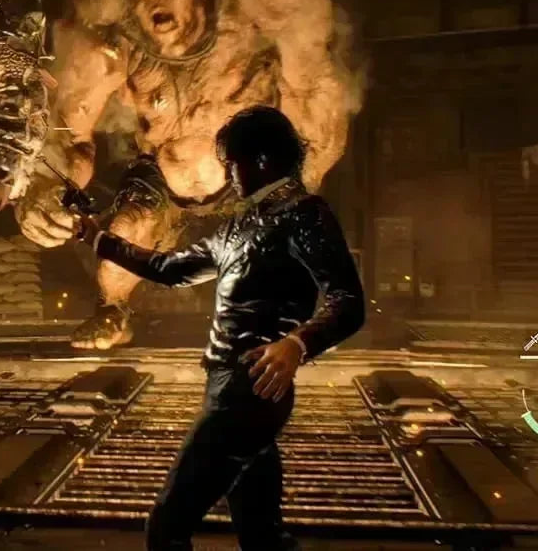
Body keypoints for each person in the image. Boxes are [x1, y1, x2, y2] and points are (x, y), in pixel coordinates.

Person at [75, 105, 365, 551]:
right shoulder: (240, 224)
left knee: (167, 527)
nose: (228, 174)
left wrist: (297, 344)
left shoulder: (304, 212)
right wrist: (99, 238)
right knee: (262, 536)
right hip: (230, 387)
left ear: (261, 160)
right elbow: (171, 269)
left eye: (233, 163)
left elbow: (348, 301)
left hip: (249, 391)